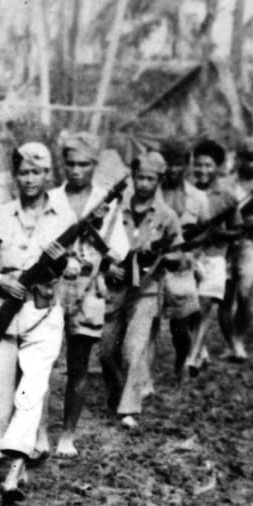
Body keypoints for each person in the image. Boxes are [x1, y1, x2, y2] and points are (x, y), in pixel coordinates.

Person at [0, 142, 73, 501]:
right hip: (7, 310)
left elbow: (79, 264)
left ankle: (15, 469)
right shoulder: (2, 216)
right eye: (23, 172)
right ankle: (14, 447)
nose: (30, 179)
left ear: (48, 174)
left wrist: (61, 262)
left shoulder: (63, 216)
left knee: (32, 389)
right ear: (15, 175)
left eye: (37, 172)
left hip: (43, 310)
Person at [53, 131, 127, 458]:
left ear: (95, 165)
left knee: (78, 365)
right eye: (70, 164)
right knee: (39, 364)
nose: (76, 171)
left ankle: (67, 434)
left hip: (89, 288)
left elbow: (119, 251)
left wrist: (101, 246)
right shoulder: (52, 199)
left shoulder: (106, 203)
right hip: (53, 287)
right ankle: (36, 431)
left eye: (84, 164)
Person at [99, 151, 183, 430]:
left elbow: (178, 254)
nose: (145, 184)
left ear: (159, 181)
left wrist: (161, 256)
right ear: (133, 178)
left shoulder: (167, 216)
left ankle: (129, 407)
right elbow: (99, 246)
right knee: (106, 350)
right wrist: (109, 267)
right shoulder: (115, 211)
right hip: (116, 287)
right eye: (140, 178)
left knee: (134, 348)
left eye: (151, 179)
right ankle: (117, 393)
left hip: (147, 287)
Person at [157, 138, 209, 380]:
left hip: (182, 267)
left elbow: (206, 230)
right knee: (148, 323)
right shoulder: (153, 193)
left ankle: (181, 364)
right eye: (168, 164)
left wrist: (189, 246)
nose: (173, 170)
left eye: (178, 164)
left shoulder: (197, 197)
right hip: (154, 264)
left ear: (186, 164)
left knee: (179, 328)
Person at [185, 138, 236, 374]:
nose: (202, 170)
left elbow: (238, 229)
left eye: (208, 165)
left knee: (205, 305)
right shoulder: (187, 193)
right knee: (189, 308)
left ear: (217, 168)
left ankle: (193, 357)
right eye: (198, 164)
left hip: (215, 256)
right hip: (189, 256)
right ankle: (200, 349)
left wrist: (219, 233)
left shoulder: (226, 196)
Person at [223, 138, 253, 360]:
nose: (250, 164)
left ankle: (239, 337)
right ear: (239, 158)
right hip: (226, 243)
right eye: (246, 158)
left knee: (245, 292)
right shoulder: (226, 183)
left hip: (251, 243)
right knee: (224, 299)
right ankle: (231, 343)